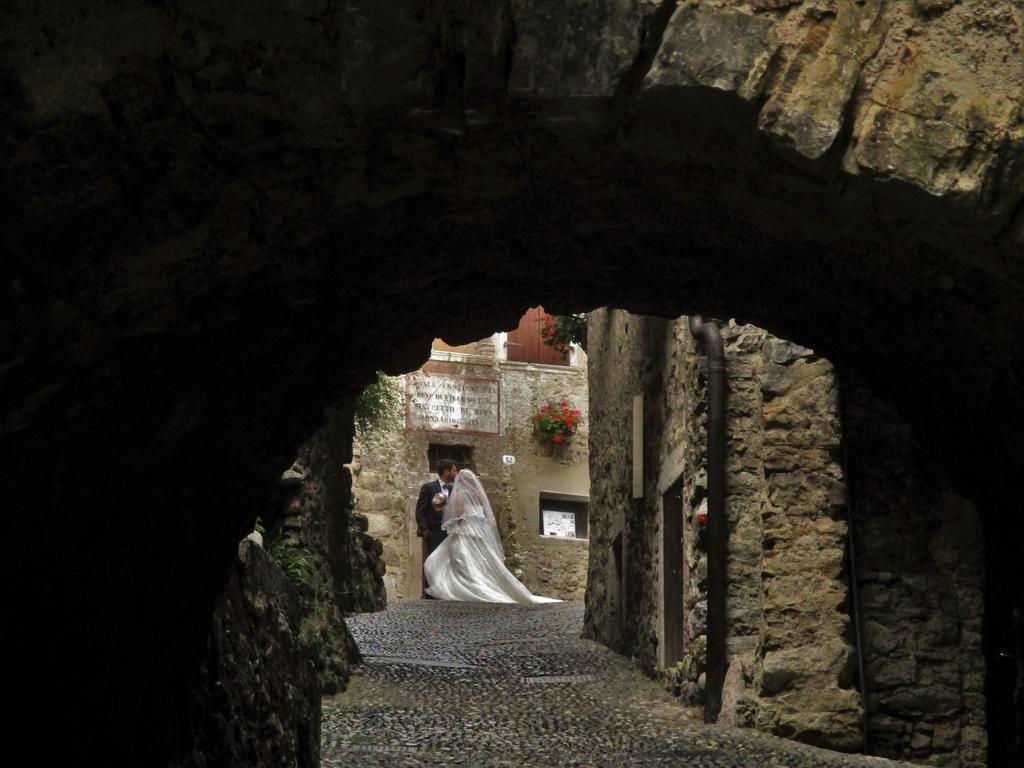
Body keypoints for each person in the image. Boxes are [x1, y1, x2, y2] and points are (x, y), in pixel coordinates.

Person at [423, 469, 560, 604]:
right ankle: (484, 582)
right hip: (477, 529)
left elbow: (459, 513)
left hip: (465, 529)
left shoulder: (460, 493)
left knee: (459, 557)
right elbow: (480, 510)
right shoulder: (477, 493)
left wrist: (445, 509)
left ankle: (467, 585)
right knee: (480, 557)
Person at [415, 459, 458, 598]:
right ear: (446, 472)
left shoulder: (453, 490)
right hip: (434, 532)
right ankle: (430, 595)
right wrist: (426, 532)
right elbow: (420, 511)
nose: (455, 473)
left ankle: (445, 593)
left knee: (447, 563)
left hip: (449, 533)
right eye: (454, 470)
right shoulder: (429, 488)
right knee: (432, 562)